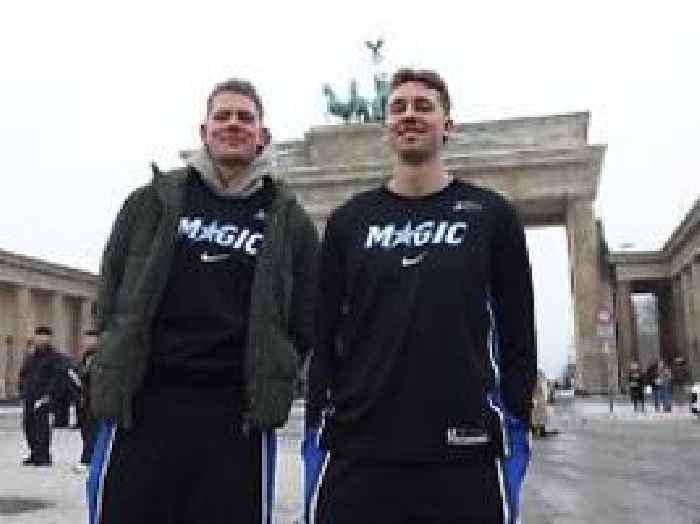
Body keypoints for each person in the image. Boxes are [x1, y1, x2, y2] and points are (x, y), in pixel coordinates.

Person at [305, 68, 537, 524]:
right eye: (398, 107)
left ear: (448, 126)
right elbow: (324, 327)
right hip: (359, 448)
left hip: (464, 450)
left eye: (423, 106)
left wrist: (513, 412)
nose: (409, 115)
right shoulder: (349, 221)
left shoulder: (491, 216)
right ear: (385, 127)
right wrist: (320, 413)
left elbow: (518, 329)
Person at [87, 77, 319, 524]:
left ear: (262, 135)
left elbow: (307, 311)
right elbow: (112, 281)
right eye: (222, 116)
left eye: (245, 118)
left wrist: (282, 363)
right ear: (203, 131)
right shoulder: (151, 201)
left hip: (236, 411)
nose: (233, 125)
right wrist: (111, 343)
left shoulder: (289, 219)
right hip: (146, 400)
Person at [18, 326, 65, 466]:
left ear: (49, 338)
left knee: (42, 427)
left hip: (44, 398)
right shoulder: (31, 357)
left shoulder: (55, 357)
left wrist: (49, 395)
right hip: (30, 397)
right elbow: (23, 374)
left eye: (44, 337)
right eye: (38, 336)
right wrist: (22, 391)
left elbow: (57, 377)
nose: (41, 339)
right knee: (29, 426)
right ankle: (34, 452)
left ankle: (43, 455)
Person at [71, 329, 99, 472]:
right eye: (86, 340)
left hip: (96, 400)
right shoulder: (84, 358)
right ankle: (87, 457)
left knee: (94, 431)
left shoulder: (101, 359)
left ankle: (90, 459)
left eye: (91, 340)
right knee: (85, 431)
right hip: (83, 401)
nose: (88, 343)